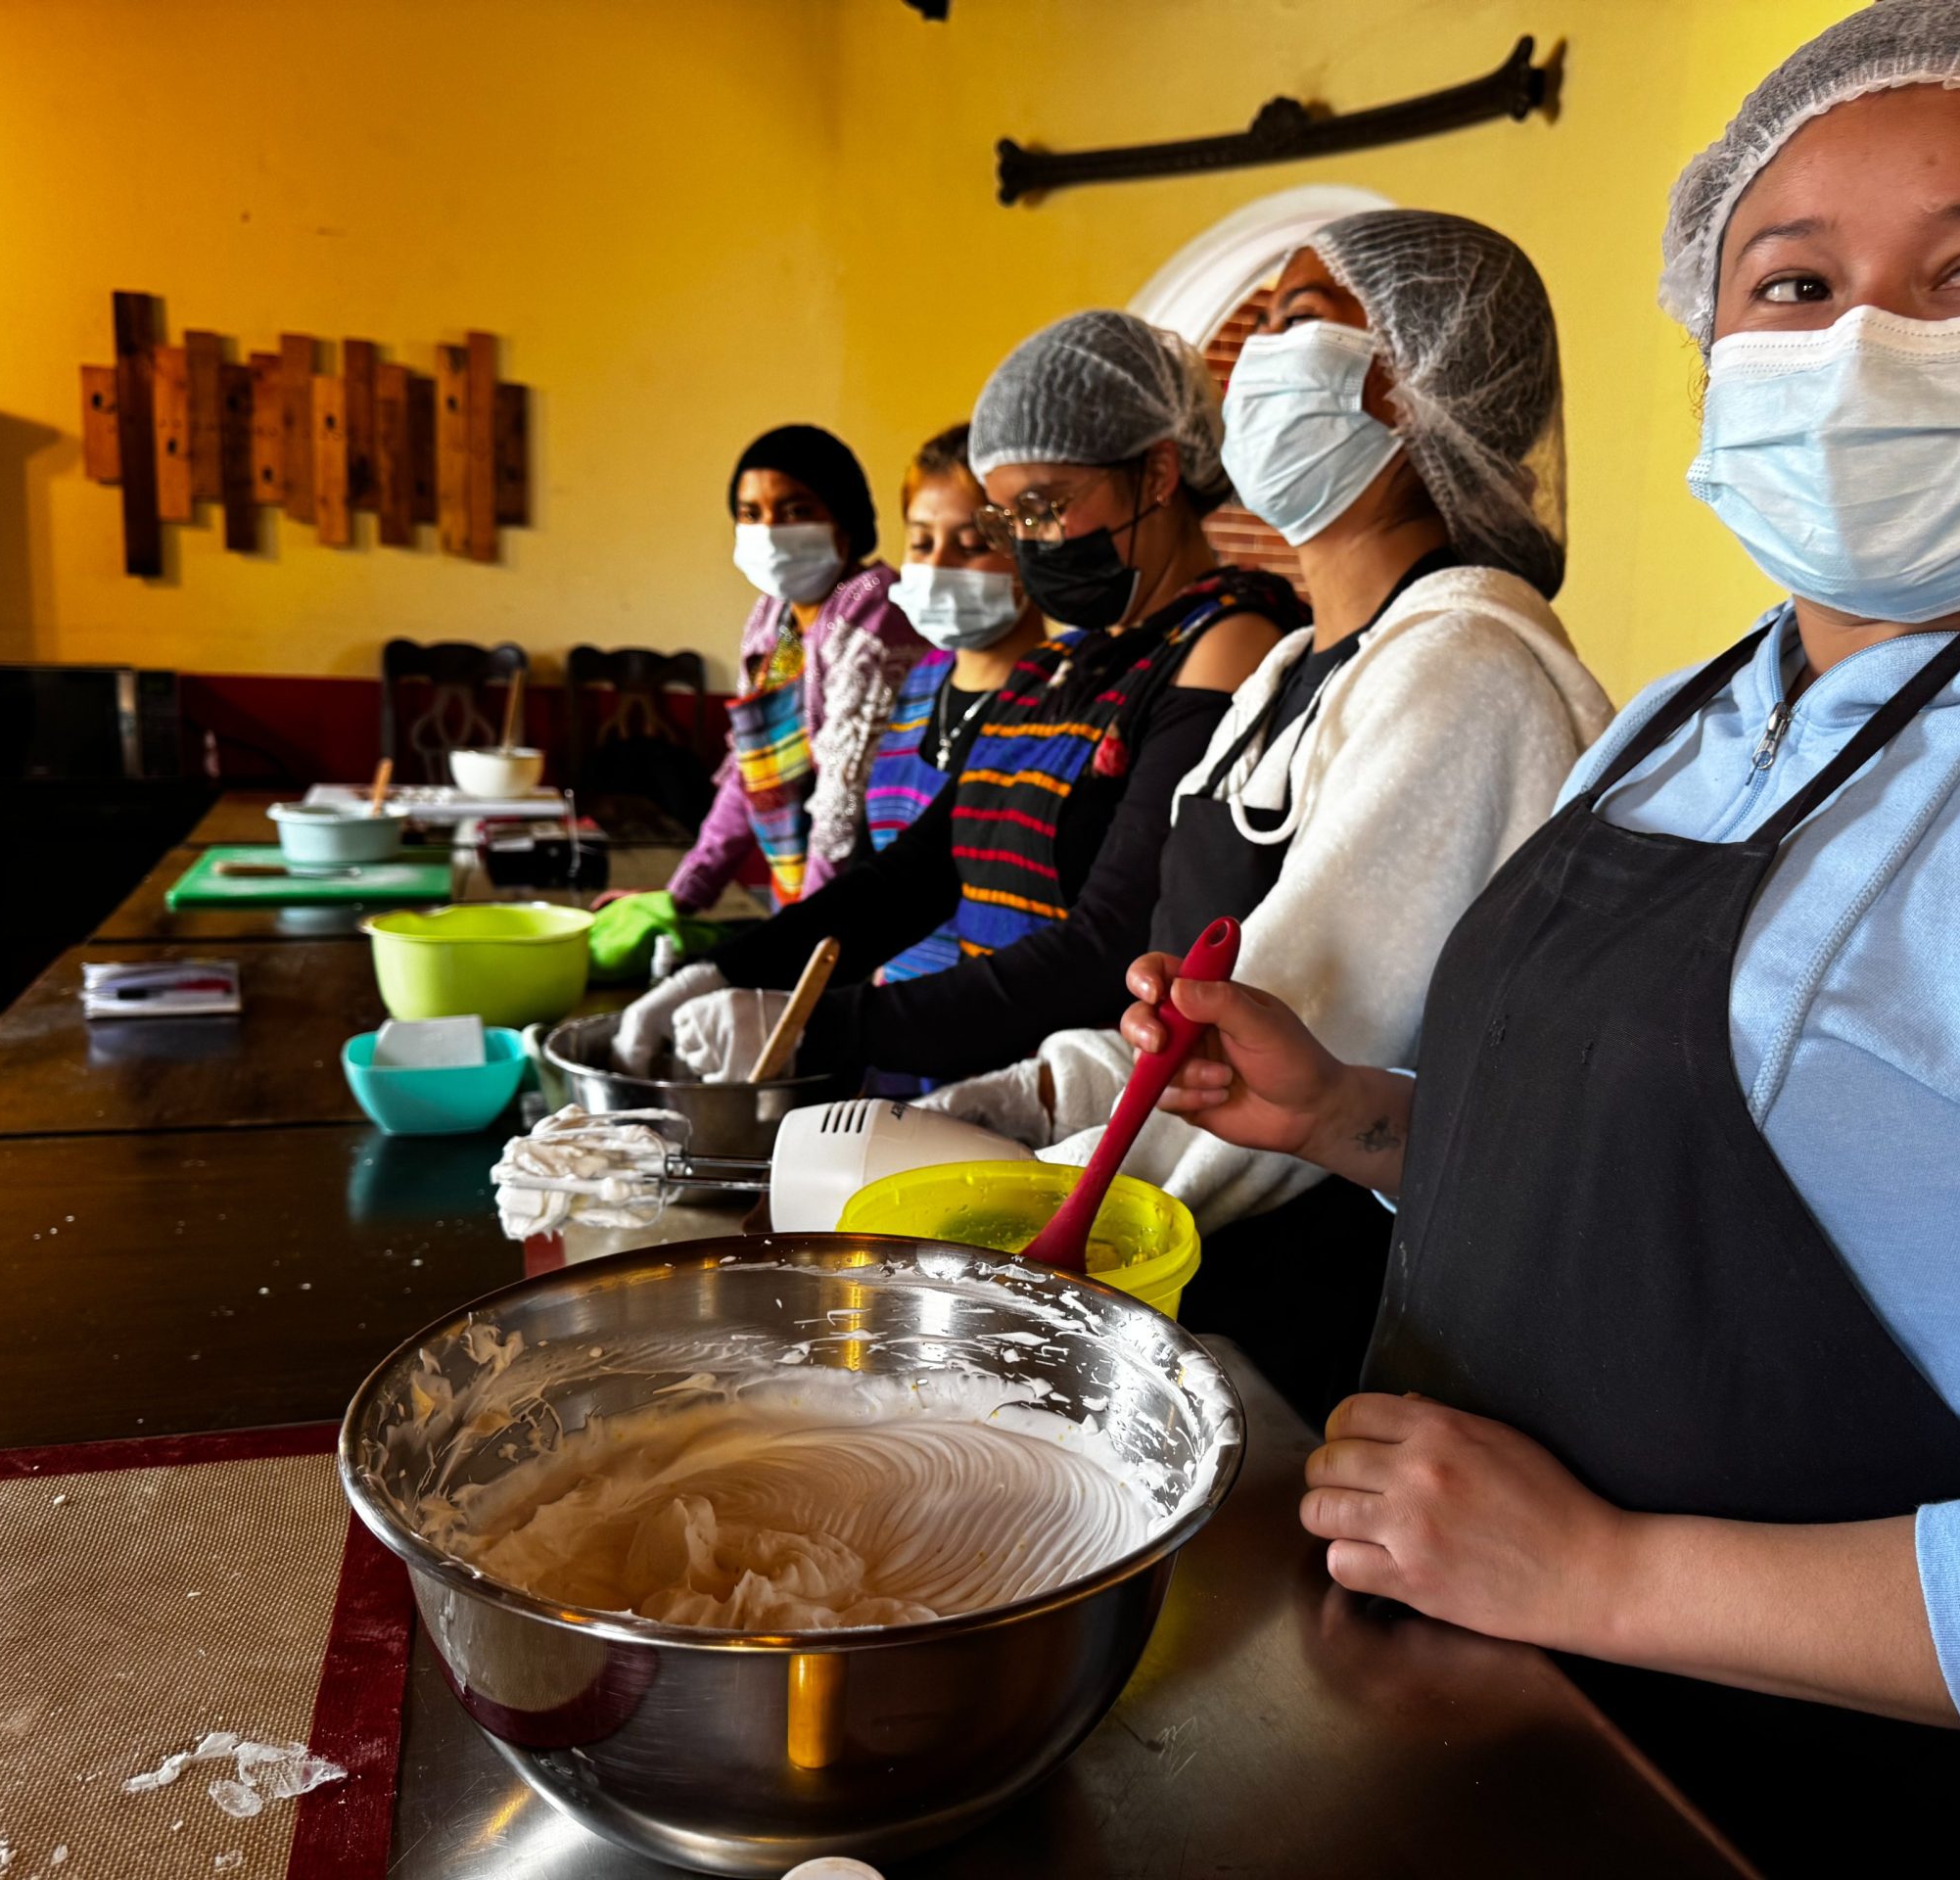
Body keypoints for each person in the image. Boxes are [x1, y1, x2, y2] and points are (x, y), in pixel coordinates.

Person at [1119, 2, 1960, 1870]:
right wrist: (1356, 1118)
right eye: (1795, 283)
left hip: (1810, 1808)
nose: (1862, 345)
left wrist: (1603, 1573)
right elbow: (1765, 1207)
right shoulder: (1697, 708)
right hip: (1490, 1705)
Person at [921, 211, 1612, 1423]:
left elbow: (1299, 1063)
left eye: (1298, 320)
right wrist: (1047, 1088)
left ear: (1416, 381)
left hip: (1312, 1326)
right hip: (1202, 1275)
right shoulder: (1295, 665)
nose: (1244, 366)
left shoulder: (1460, 671)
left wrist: (1016, 1221)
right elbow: (1207, 1019)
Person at [617, 310, 1301, 1084]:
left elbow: (1111, 942)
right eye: (1010, 517)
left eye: (1044, 505)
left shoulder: (1231, 643)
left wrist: (821, 1029)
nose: (1028, 540)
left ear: (1158, 474)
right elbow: (915, 874)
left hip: (1089, 1095)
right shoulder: (1057, 667)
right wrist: (726, 971)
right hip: (981, 1077)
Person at [664, 425, 923, 916]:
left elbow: (843, 803)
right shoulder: (778, 625)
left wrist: (802, 932)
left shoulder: (871, 612)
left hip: (876, 899)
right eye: (751, 514)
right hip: (808, 897)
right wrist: (681, 896)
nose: (770, 531)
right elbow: (752, 768)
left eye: (796, 510)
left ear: (844, 520)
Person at [860, 422, 1050, 985]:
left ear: (1034, 551)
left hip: (997, 1008)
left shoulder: (1063, 698)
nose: (939, 564)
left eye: (973, 545)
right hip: (893, 1009)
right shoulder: (921, 682)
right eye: (921, 543)